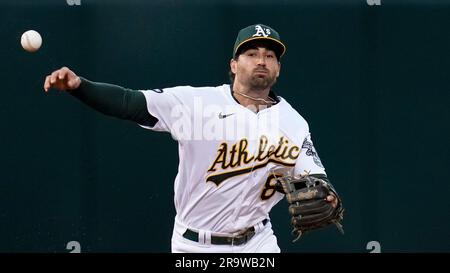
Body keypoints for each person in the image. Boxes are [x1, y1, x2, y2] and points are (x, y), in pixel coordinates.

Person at [43, 24, 342, 253]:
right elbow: (128, 102)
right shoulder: (196, 104)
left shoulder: (294, 122)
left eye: (269, 56)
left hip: (258, 243)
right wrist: (79, 86)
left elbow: (315, 175)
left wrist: (327, 195)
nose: (261, 60)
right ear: (234, 65)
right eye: (251, 54)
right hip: (195, 245)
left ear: (278, 68)